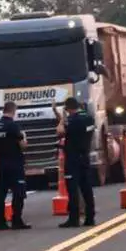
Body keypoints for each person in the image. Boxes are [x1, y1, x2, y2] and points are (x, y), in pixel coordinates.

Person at [55, 97, 96, 228]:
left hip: (73, 158)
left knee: (72, 189)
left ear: (68, 109)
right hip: (85, 156)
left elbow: (60, 132)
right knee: (86, 187)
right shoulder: (89, 118)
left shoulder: (73, 121)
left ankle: (74, 218)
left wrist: (61, 118)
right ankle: (90, 217)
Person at [0, 101, 31, 230]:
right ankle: (16, 220)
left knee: (0, 193)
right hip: (15, 162)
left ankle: (1, 222)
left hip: (1, 162)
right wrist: (24, 137)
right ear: (14, 111)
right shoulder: (13, 126)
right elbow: (23, 146)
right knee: (18, 192)